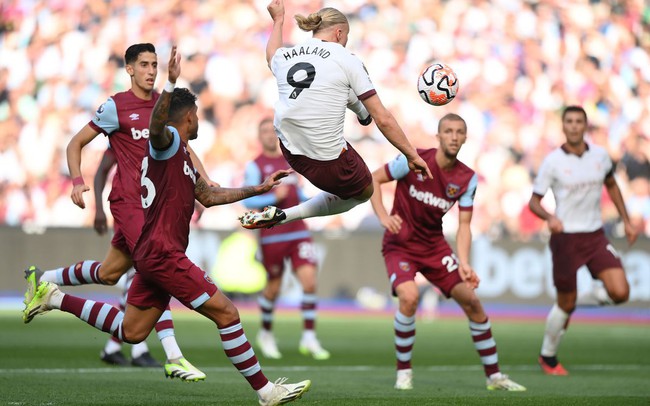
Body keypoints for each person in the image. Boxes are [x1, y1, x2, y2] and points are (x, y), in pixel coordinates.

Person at [24, 46, 311, 406]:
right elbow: (157, 127)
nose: (198, 122)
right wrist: (172, 82)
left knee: (132, 330)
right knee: (227, 312)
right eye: (196, 116)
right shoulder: (166, 142)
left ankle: (54, 296)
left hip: (151, 252)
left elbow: (209, 195)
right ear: (186, 117)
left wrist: (259, 188)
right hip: (163, 252)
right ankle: (266, 392)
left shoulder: (184, 155)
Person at [22, 43, 211, 379]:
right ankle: (173, 354)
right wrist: (78, 181)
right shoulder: (116, 107)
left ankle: (45, 280)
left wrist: (203, 185)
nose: (151, 71)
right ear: (129, 69)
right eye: (144, 64)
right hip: (129, 203)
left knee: (111, 273)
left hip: (156, 205)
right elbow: (75, 143)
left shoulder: (164, 106)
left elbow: (184, 148)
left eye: (154, 64)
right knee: (157, 268)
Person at [239, 0, 432, 230]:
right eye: (346, 36)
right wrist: (411, 155)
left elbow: (271, 55)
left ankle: (361, 112)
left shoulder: (288, 55)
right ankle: (285, 215)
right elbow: (383, 118)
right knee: (364, 191)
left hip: (291, 151)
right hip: (326, 158)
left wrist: (278, 21)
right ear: (339, 33)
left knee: (337, 87)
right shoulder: (346, 58)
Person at [370, 113, 526, 392]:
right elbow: (374, 179)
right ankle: (403, 373)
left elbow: (465, 226)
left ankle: (494, 377)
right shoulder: (413, 159)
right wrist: (382, 215)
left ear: (465, 138)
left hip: (434, 247)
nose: (453, 136)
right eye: (448, 131)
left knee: (472, 302)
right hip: (400, 244)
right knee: (409, 297)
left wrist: (464, 263)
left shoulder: (467, 179)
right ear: (438, 136)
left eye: (459, 132)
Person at [528, 105, 639, 375]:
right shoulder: (553, 161)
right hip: (565, 238)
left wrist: (626, 219)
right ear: (563, 126)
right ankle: (548, 357)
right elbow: (534, 202)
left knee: (621, 292)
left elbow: (611, 185)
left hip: (595, 235)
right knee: (565, 303)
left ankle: (583, 298)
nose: (575, 126)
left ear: (585, 125)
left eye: (579, 121)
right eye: (570, 121)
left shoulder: (600, 157)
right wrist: (549, 217)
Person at [242, 117, 329, 360]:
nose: (270, 135)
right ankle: (266, 333)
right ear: (260, 137)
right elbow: (248, 200)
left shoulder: (291, 162)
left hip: (298, 231)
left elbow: (297, 194)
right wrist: (272, 198)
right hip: (272, 234)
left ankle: (309, 337)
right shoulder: (255, 166)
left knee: (310, 281)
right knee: (274, 287)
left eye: (273, 131)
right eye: (265, 131)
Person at [91, 147, 159, 366]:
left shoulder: (160, 134)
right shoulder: (124, 132)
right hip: (129, 210)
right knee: (144, 274)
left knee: (138, 276)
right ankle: (143, 350)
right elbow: (102, 170)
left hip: (150, 212)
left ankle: (114, 347)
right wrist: (99, 209)